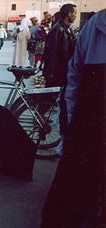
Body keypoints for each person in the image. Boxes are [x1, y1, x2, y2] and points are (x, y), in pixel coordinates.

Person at [30, 10, 106, 228]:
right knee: (62, 205)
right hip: (89, 131)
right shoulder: (94, 27)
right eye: (71, 13)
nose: (74, 16)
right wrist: (72, 129)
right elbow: (73, 76)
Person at [42, 3, 77, 144]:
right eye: (74, 12)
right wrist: (49, 72)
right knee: (50, 100)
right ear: (68, 13)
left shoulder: (66, 29)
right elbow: (50, 52)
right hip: (57, 73)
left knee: (56, 101)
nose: (75, 15)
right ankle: (41, 123)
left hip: (63, 73)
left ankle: (59, 130)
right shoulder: (58, 29)